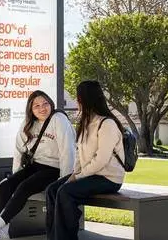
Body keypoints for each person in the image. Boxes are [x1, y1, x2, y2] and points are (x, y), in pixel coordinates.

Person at [0, 90, 75, 240]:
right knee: (5, 185)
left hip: (55, 169)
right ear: (31, 110)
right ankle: (4, 231)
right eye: (37, 106)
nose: (42, 108)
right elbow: (19, 151)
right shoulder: (28, 123)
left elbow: (68, 151)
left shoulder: (58, 119)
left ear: (51, 104)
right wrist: (15, 176)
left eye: (45, 103)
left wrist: (63, 181)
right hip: (36, 166)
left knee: (24, 187)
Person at [45, 80, 126, 240]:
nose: (77, 101)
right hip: (89, 175)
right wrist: (74, 174)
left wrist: (79, 177)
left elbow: (101, 159)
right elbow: (79, 154)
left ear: (85, 99)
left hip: (108, 178)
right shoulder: (85, 122)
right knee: (52, 190)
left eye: (78, 98)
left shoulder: (107, 123)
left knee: (66, 192)